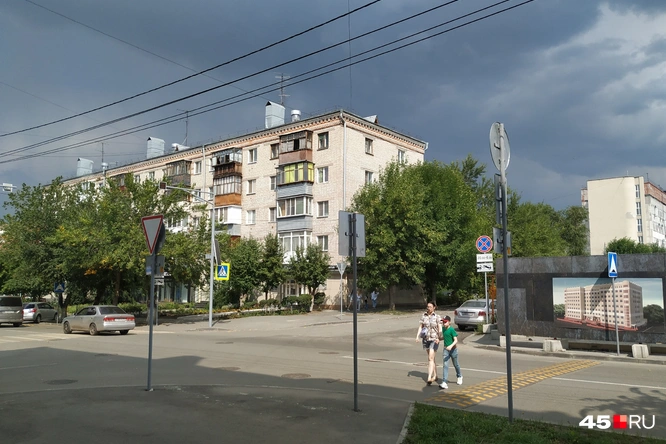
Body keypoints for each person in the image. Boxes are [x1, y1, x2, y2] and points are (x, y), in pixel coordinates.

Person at [415, 301, 441, 385]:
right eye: (427, 307)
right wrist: (417, 336)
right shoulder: (424, 316)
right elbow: (420, 327)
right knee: (432, 358)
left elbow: (440, 328)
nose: (428, 308)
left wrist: (439, 337)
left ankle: (429, 377)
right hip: (426, 339)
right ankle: (435, 375)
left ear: (434, 307)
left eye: (430, 307)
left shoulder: (437, 316)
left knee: (430, 358)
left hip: (434, 339)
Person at [439, 315, 463, 389]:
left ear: (449, 322)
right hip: (446, 350)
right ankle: (444, 382)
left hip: (453, 350)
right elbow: (445, 337)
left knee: (456, 364)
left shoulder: (452, 330)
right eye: (443, 322)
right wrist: (439, 339)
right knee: (445, 365)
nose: (444, 323)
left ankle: (459, 376)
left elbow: (456, 340)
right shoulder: (443, 328)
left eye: (445, 322)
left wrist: (451, 346)